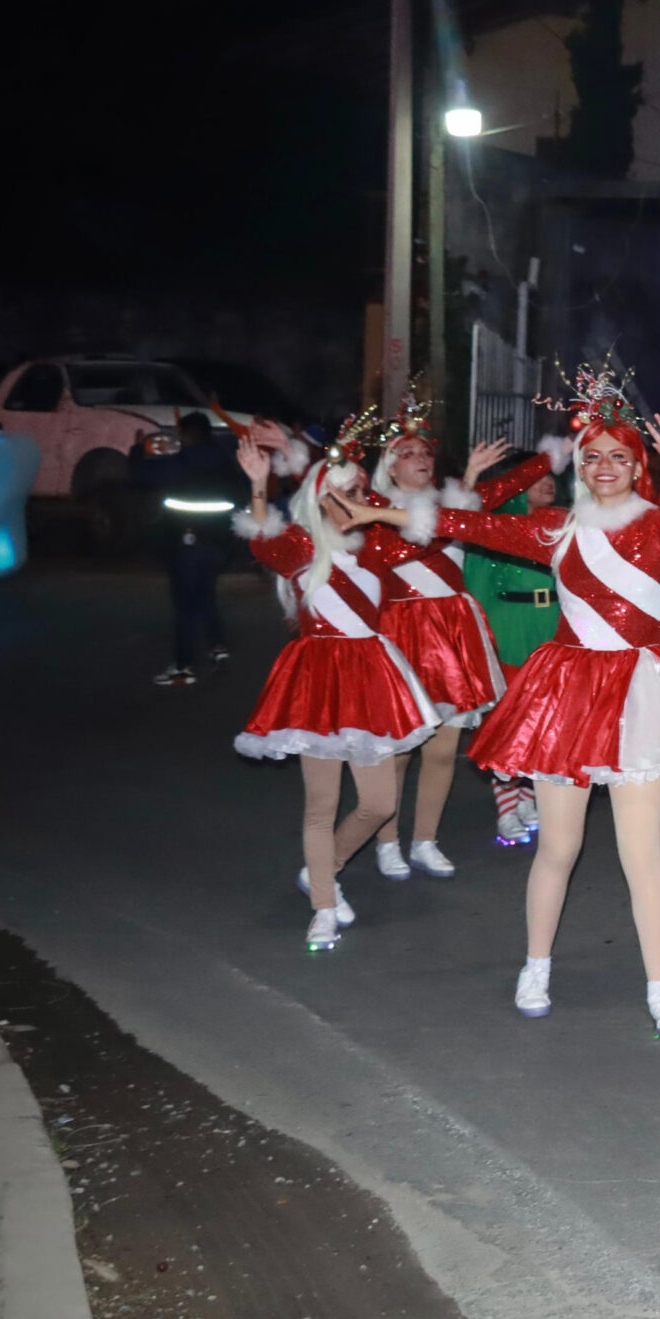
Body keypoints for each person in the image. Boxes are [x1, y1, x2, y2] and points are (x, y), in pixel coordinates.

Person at [330, 362, 660, 1035]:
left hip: (638, 692)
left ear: (639, 467)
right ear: (580, 465)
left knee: (642, 855)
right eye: (593, 457)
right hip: (570, 695)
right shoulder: (555, 528)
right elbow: (466, 525)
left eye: (618, 457)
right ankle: (537, 963)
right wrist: (377, 509)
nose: (604, 466)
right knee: (558, 846)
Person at [230, 412, 441, 951]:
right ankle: (323, 904)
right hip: (318, 679)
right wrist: (259, 483)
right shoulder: (300, 545)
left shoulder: (379, 547)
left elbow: (427, 525)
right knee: (320, 806)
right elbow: (260, 543)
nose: (349, 502)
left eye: (358, 493)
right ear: (319, 494)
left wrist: (378, 509)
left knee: (379, 804)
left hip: (372, 678)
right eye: (340, 493)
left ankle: (324, 868)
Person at [359, 399, 546, 879]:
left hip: (452, 636)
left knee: (442, 750)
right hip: (401, 636)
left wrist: (560, 451)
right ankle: (386, 843)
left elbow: (505, 487)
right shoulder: (374, 515)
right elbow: (408, 543)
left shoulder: (454, 506)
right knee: (399, 751)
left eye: (425, 451)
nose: (420, 458)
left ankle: (424, 839)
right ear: (388, 466)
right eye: (407, 452)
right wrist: (465, 494)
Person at [459, 456, 560, 844]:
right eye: (536, 477)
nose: (547, 483)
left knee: (544, 717)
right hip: (508, 624)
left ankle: (528, 793)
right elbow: (475, 582)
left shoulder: (564, 521)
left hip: (553, 621)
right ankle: (507, 804)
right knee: (507, 718)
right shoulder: (498, 526)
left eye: (551, 475)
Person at [132, 411, 245, 686]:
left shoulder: (181, 463)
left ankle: (184, 667)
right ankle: (218, 647)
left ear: (188, 434)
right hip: (219, 546)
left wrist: (137, 448)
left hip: (187, 545)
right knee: (206, 597)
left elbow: (140, 475)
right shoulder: (228, 463)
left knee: (184, 607)